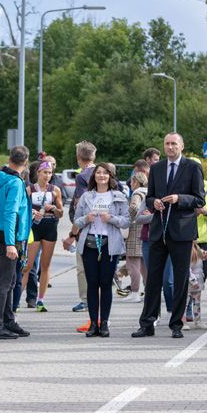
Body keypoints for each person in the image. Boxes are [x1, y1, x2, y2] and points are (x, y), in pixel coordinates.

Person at [132, 132, 205, 339]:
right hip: (158, 230)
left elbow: (198, 199)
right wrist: (153, 202)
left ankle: (176, 324)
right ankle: (147, 323)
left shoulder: (192, 167)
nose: (170, 147)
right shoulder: (156, 168)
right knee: (153, 278)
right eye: (167, 144)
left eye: (174, 144)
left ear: (181, 146)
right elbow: (149, 196)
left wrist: (179, 198)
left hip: (181, 231)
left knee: (180, 279)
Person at [73, 163, 130, 337]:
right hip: (90, 244)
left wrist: (111, 218)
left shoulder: (118, 196)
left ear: (111, 177)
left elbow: (127, 221)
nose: (102, 176)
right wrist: (86, 218)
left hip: (110, 245)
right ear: (94, 176)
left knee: (106, 284)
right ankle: (93, 324)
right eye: (98, 173)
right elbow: (76, 221)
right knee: (92, 284)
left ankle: (104, 323)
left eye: (105, 173)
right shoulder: (86, 196)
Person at [0, 145, 32, 340]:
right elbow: (10, 212)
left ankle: (8, 320)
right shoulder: (14, 182)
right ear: (26, 162)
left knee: (11, 280)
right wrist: (11, 243)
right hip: (9, 234)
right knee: (5, 281)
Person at [21, 161, 63, 311]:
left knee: (45, 265)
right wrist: (31, 212)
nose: (47, 175)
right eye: (45, 172)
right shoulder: (29, 189)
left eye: (50, 173)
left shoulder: (55, 190)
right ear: (38, 173)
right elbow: (21, 209)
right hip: (34, 228)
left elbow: (61, 212)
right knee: (27, 265)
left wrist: (53, 208)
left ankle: (40, 300)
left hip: (50, 226)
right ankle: (15, 301)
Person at [62, 141, 98, 313]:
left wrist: (72, 233)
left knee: (83, 267)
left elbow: (80, 205)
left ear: (78, 158)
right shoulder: (105, 171)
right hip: (104, 225)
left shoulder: (82, 176)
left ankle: (86, 299)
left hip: (86, 228)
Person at [122, 171, 148, 303]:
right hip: (146, 230)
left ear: (136, 182)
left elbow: (133, 208)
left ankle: (135, 292)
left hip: (135, 230)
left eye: (132, 182)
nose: (131, 185)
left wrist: (127, 217)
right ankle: (148, 292)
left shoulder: (137, 194)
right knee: (144, 265)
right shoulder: (149, 192)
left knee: (132, 263)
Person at [185, 243, 207, 330]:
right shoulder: (187, 251)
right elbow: (187, 269)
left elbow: (206, 255)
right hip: (190, 283)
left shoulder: (197, 249)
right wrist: (193, 281)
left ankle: (198, 321)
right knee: (185, 303)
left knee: (197, 303)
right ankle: (183, 321)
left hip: (198, 281)